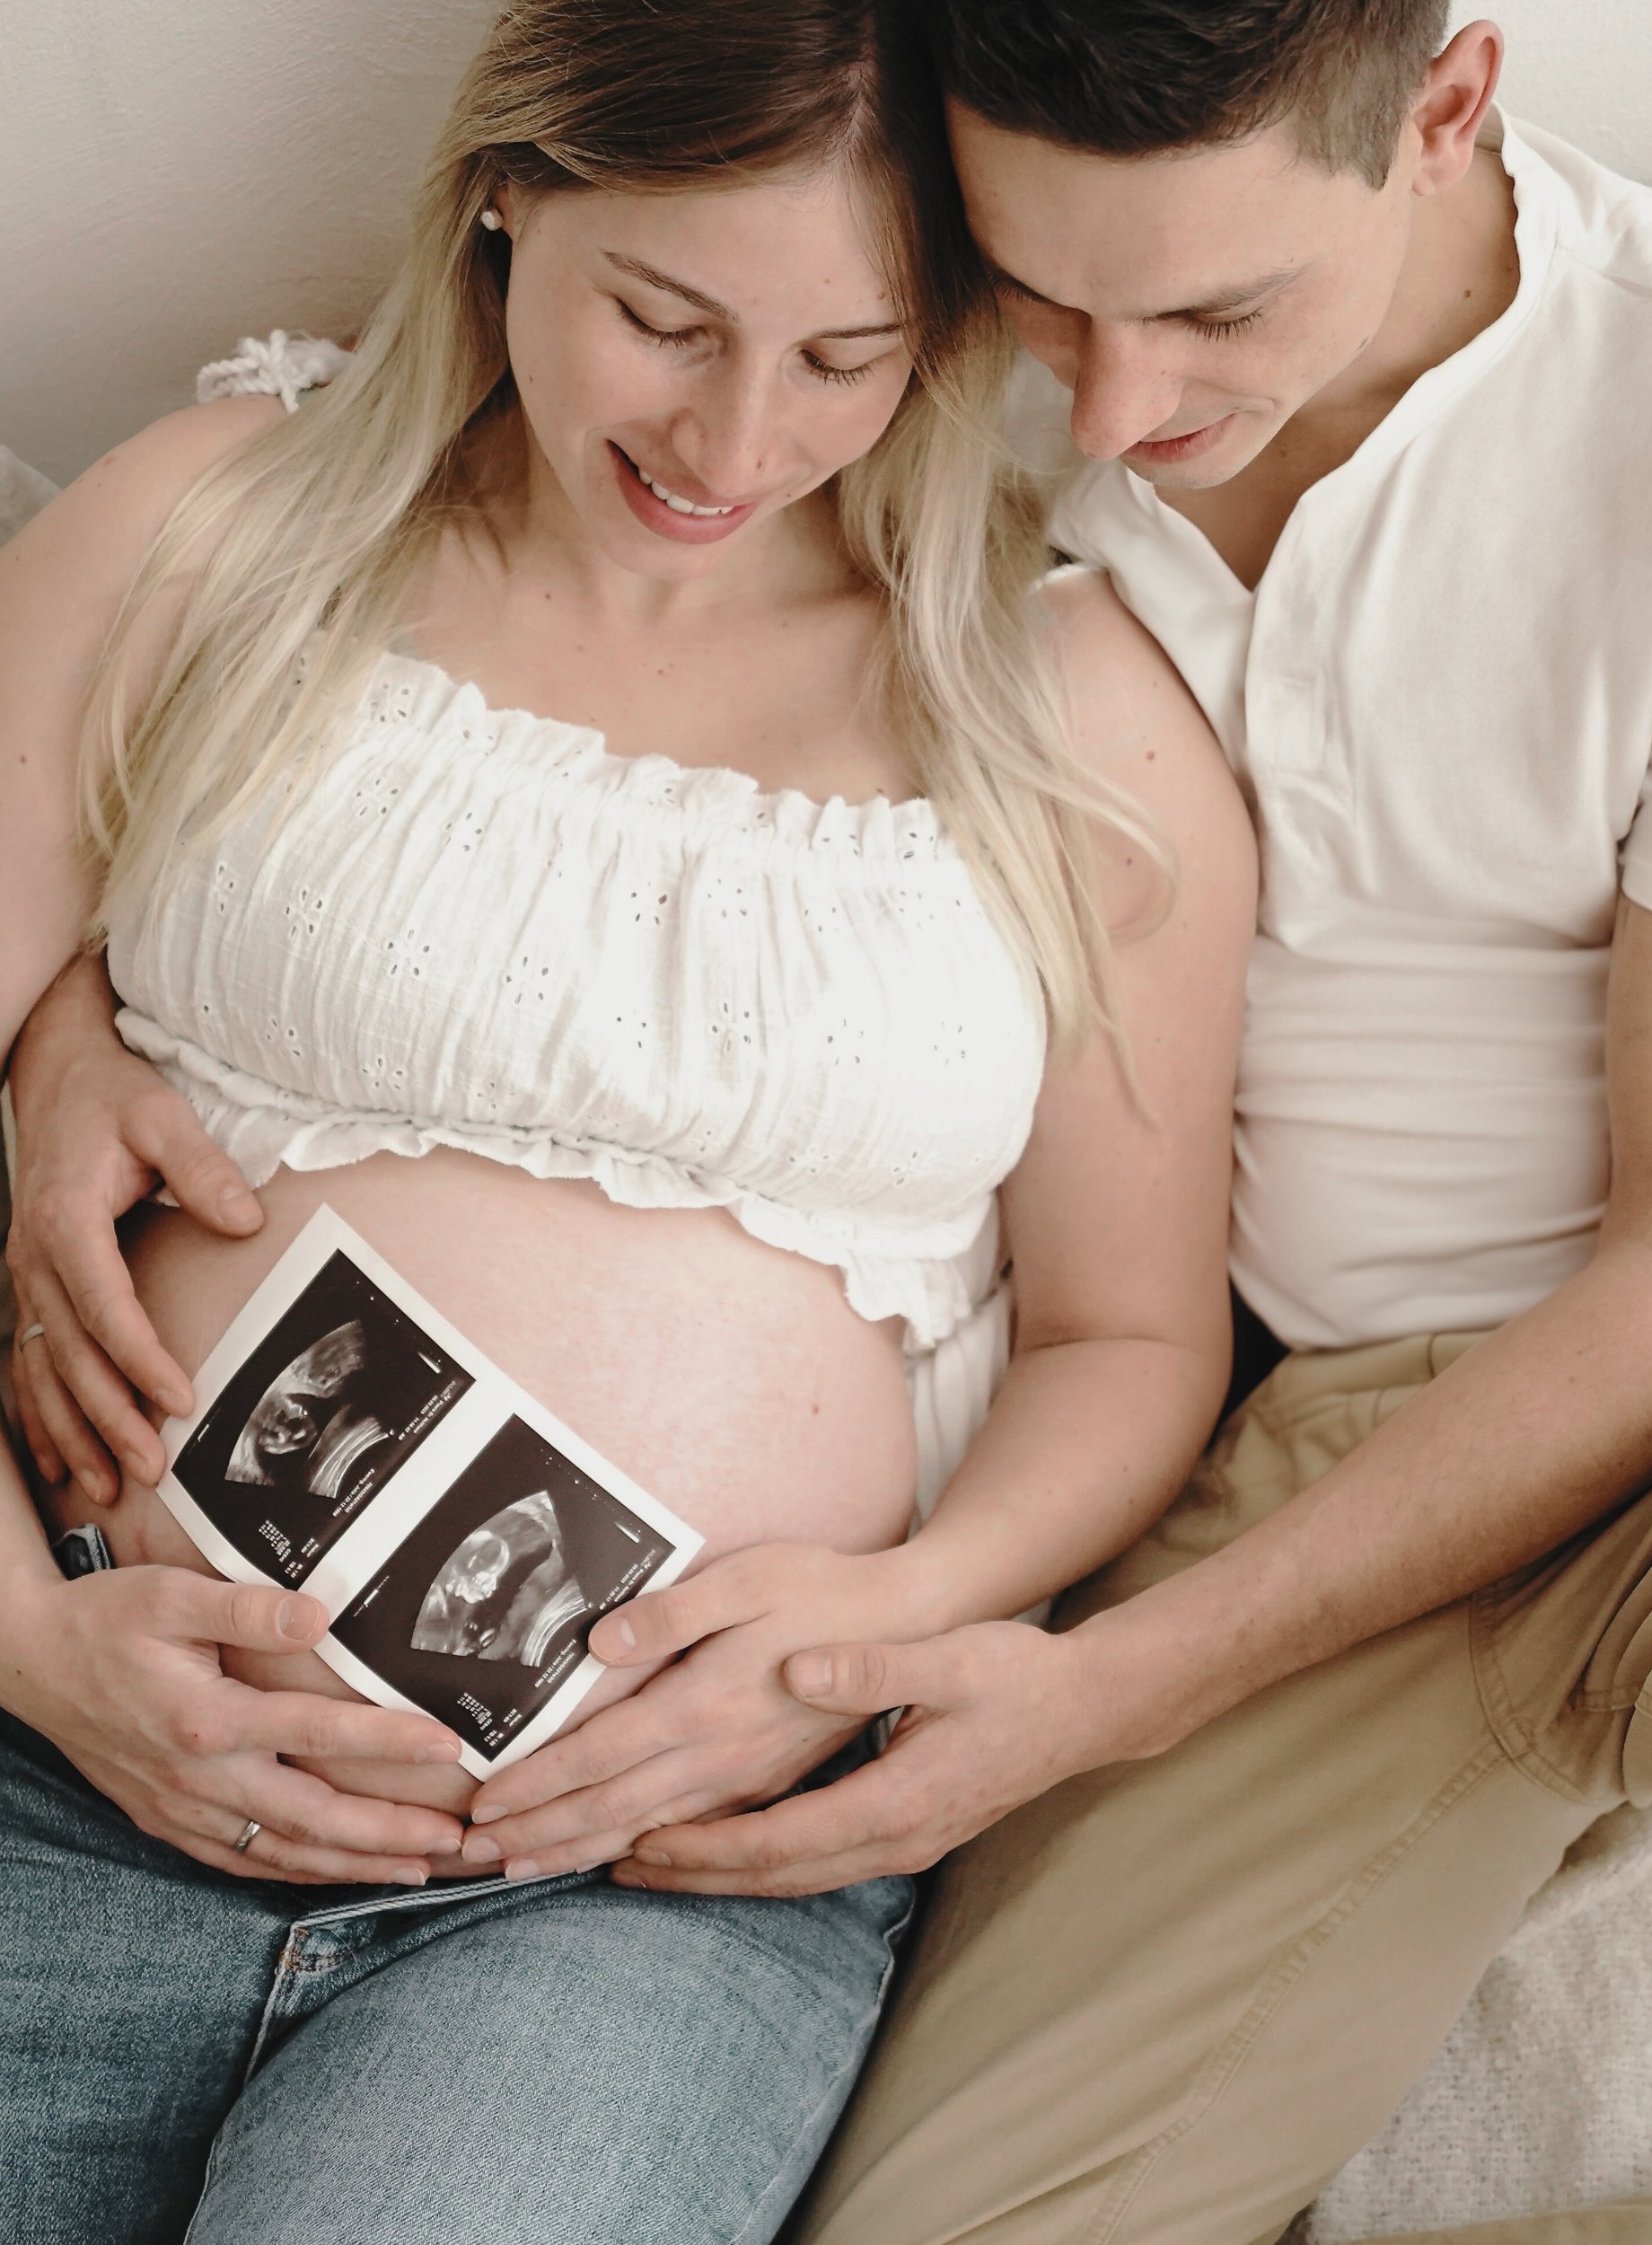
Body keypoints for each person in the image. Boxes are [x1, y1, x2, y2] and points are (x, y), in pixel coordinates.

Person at [0, 0, 1252, 2238]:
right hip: (52, 1781)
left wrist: (865, 1624)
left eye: (846, 354)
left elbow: (1130, 1342)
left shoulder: (1068, 714)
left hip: (632, 1891)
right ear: (509, 198)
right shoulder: (209, 530)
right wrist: (28, 1640)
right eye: (665, 319)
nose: (732, 433)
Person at [459, 5, 1652, 2241]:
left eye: (1219, 311)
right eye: (1044, 299)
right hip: (1148, 1375)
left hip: (1530, 1415)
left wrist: (1096, 1695)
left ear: (1447, 107)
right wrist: (77, 1033)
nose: (1112, 413)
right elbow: (421, 617)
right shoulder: (877, 301)